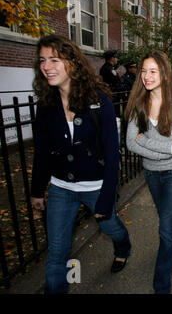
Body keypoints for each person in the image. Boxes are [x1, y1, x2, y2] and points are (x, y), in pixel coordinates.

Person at [30, 35, 131, 294]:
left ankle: (123, 246)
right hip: (61, 188)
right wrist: (37, 190)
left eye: (54, 59)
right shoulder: (46, 104)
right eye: (42, 60)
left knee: (112, 228)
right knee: (57, 254)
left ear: (72, 63)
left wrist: (108, 196)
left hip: (96, 185)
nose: (46, 66)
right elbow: (42, 151)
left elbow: (111, 152)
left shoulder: (100, 101)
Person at [125, 51, 172, 294]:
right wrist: (167, 148)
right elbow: (131, 143)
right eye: (144, 71)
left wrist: (147, 143)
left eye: (153, 71)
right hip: (151, 173)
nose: (147, 76)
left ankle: (162, 286)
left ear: (164, 74)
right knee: (167, 217)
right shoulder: (138, 103)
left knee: (164, 232)